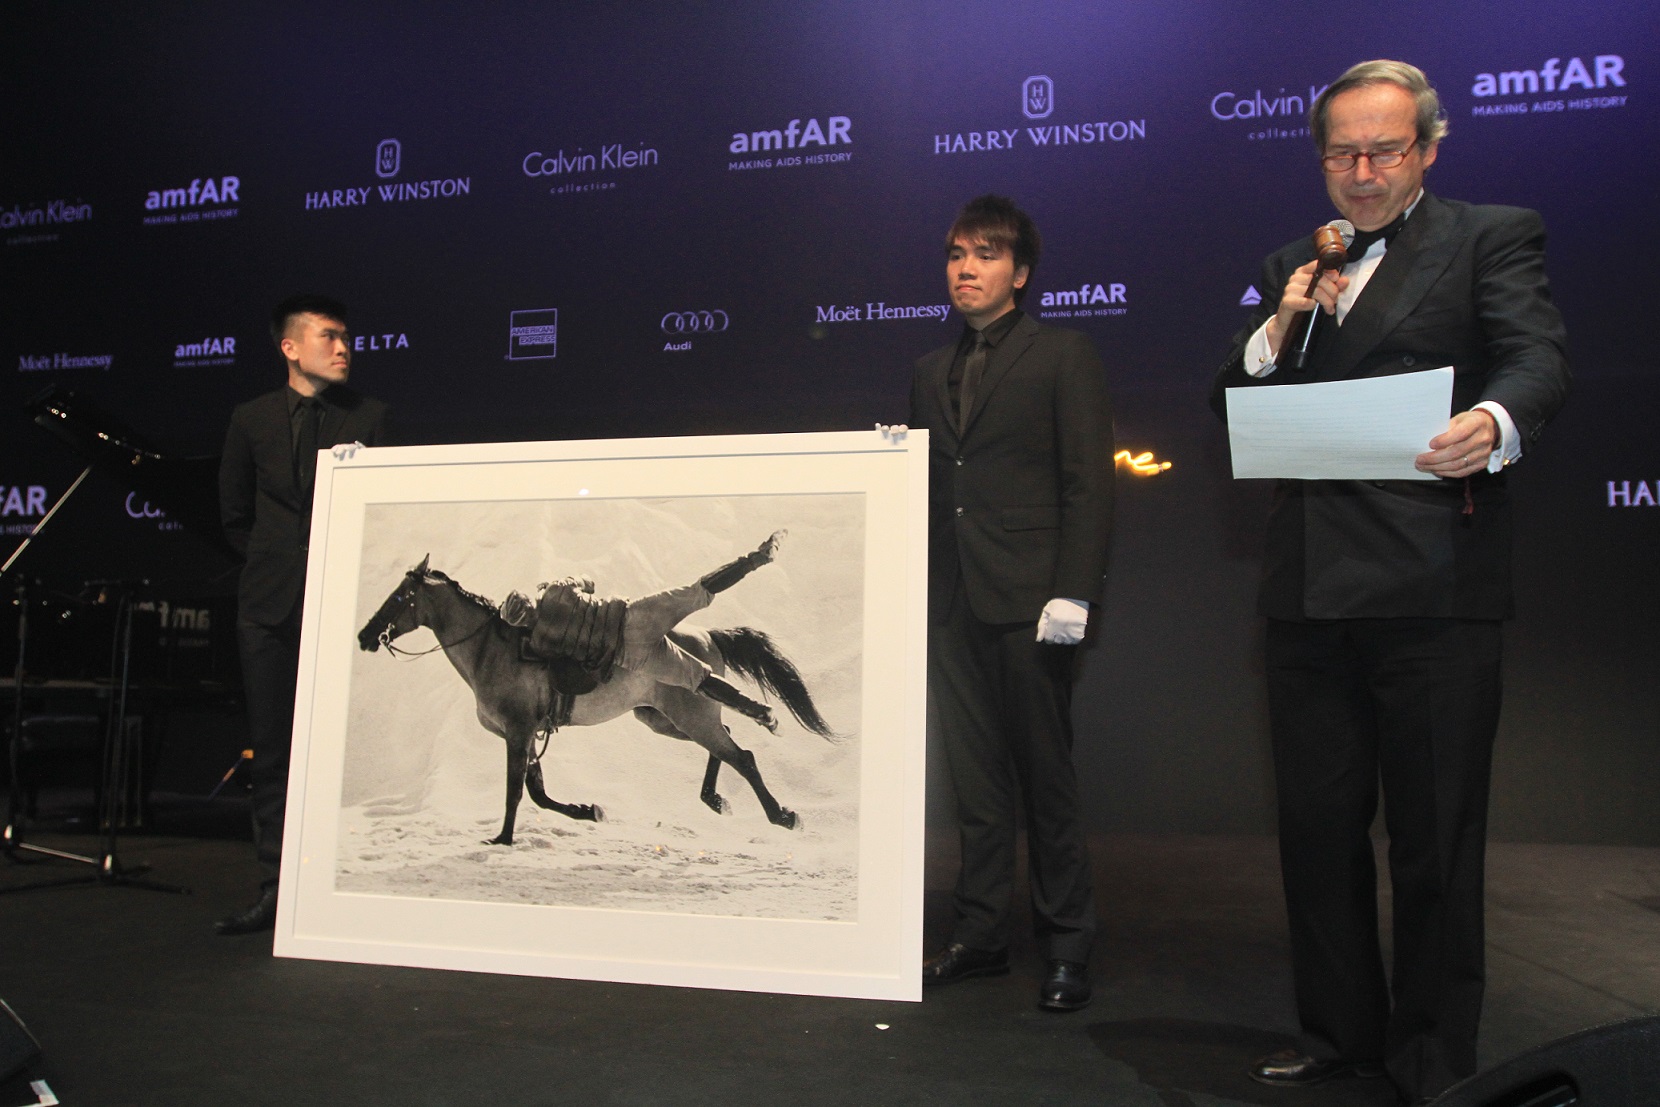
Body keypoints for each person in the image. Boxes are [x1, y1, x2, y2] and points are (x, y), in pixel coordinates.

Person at [1211, 61, 1570, 1103]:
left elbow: (1537, 359)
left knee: (1434, 842)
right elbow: (1232, 404)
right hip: (1309, 594)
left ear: (1428, 150)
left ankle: (1431, 1059)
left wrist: (1494, 421)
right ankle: (1338, 1035)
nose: (1363, 172)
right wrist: (1278, 327)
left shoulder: (1491, 236)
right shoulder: (1292, 262)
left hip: (1433, 589)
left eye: (1385, 151)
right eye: (1343, 154)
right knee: (1317, 837)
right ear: (1320, 157)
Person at [905, 194, 1114, 1011]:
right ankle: (980, 935)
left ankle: (1068, 944)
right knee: (975, 782)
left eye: (985, 255)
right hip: (951, 599)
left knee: (1045, 779)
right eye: (956, 254)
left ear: (1020, 273)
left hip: (1033, 601)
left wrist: (1074, 593)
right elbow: (929, 489)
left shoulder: (1063, 354)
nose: (966, 269)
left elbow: (1088, 484)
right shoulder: (929, 370)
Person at [217, 294, 392, 935]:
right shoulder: (250, 418)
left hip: (341, 608)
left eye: (347, 337)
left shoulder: (370, 417)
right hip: (267, 609)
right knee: (272, 754)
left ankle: (341, 888)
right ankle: (277, 891)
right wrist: (280, 568)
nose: (344, 348)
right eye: (328, 337)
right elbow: (234, 515)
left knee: (342, 752)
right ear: (290, 347)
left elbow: (384, 515)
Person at [499, 530, 787, 731]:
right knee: (697, 591)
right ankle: (757, 558)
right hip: (633, 617)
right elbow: (589, 582)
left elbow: (566, 672)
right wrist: (557, 586)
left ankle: (759, 711)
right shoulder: (556, 590)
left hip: (630, 656)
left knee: (697, 679)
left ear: (521, 622)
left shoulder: (540, 642)